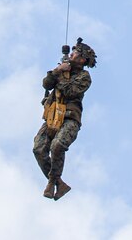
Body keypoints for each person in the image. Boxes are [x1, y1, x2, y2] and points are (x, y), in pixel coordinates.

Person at [33, 39, 97, 201]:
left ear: (82, 59)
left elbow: (70, 91)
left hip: (70, 119)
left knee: (57, 146)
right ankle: (58, 182)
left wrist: (61, 75)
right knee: (39, 149)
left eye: (76, 53)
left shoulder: (84, 76)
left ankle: (53, 181)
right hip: (52, 116)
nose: (72, 54)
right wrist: (57, 71)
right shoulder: (61, 70)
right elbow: (47, 84)